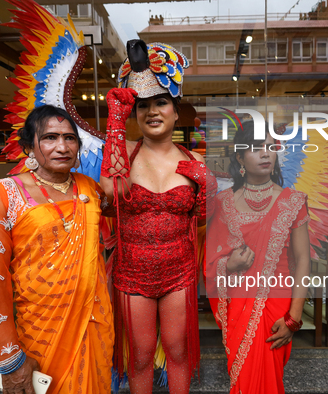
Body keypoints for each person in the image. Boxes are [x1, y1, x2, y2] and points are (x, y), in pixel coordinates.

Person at [0, 105, 114, 394]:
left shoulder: (90, 189)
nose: (62, 147)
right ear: (29, 148)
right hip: (40, 334)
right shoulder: (2, 195)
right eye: (50, 137)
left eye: (70, 138)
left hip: (93, 325)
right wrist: (10, 361)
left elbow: (128, 207)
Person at [100, 40, 212, 394]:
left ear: (176, 110)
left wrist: (206, 188)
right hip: (132, 271)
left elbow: (202, 220)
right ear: (133, 115)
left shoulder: (195, 161)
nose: (152, 111)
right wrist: (115, 123)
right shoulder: (124, 157)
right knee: (141, 356)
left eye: (161, 102)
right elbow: (112, 193)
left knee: (178, 352)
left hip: (179, 269)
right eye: (142, 106)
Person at [205, 122, 311, 394]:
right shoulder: (223, 202)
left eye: (270, 147)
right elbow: (209, 261)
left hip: (278, 306)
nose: (265, 154)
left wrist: (294, 317)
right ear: (239, 157)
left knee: (268, 377)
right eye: (255, 148)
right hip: (237, 303)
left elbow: (302, 261)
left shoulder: (294, 201)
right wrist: (230, 265)